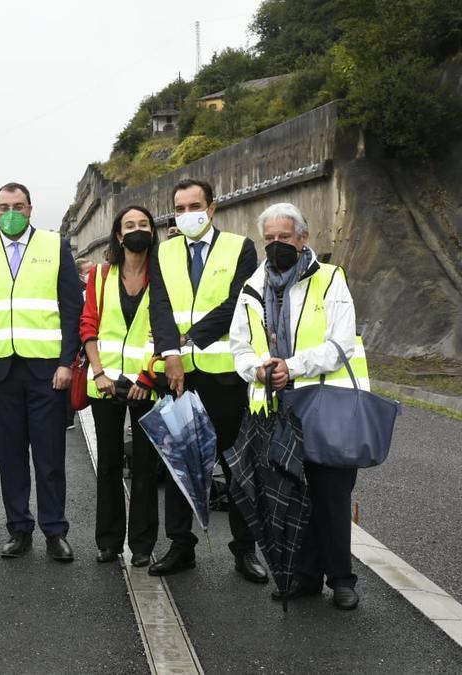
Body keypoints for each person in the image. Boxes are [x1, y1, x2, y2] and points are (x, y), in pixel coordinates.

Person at [230, 202, 366, 610]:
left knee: (331, 496)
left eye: (284, 238)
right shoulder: (253, 287)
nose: (276, 246)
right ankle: (303, 576)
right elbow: (239, 346)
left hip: (326, 404)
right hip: (275, 408)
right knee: (289, 493)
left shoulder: (329, 280)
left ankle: (341, 579)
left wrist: (291, 366)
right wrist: (256, 369)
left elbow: (340, 343)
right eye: (269, 239)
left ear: (303, 238)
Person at [147, 179, 268, 583]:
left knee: (236, 466)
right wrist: (172, 353)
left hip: (225, 377)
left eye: (194, 205)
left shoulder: (240, 247)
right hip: (178, 375)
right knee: (181, 462)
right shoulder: (162, 251)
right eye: (179, 208)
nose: (187, 214)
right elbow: (160, 306)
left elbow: (240, 300)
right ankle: (181, 546)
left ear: (212, 208)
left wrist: (192, 335)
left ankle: (244, 550)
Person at [0, 182, 82, 561]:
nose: (10, 212)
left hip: (46, 370)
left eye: (17, 205)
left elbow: (71, 307)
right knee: (9, 457)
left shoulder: (53, 245)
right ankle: (18, 528)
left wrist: (66, 362)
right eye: (2, 206)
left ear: (30, 209)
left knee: (49, 457)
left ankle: (55, 531)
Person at [80, 206, 161, 567]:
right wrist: (99, 374)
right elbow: (89, 327)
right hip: (106, 384)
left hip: (148, 384)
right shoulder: (100, 276)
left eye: (143, 224)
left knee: (146, 466)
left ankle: (142, 545)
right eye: (130, 225)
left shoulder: (163, 276)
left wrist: (148, 376)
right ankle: (109, 541)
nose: (137, 230)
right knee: (109, 463)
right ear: (118, 235)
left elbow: (167, 329)